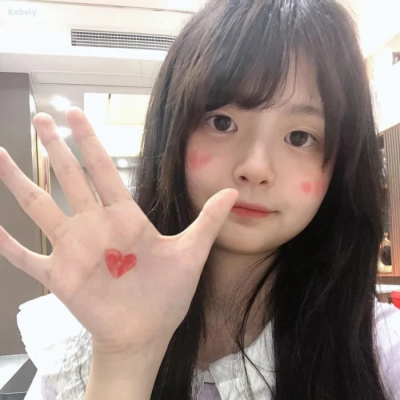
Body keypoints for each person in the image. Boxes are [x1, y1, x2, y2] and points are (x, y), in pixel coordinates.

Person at [0, 0, 399, 399]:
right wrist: (124, 361)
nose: (256, 167)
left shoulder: (381, 350)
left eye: (300, 137)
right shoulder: (81, 339)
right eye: (222, 122)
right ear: (172, 131)